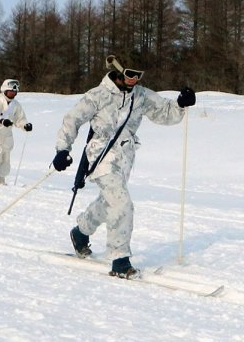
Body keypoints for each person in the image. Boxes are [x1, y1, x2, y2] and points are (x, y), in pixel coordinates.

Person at [50, 55, 196, 278]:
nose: (134, 79)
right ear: (118, 71)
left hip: (125, 157)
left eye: (138, 75)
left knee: (110, 201)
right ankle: (119, 260)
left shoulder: (141, 95)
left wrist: (180, 104)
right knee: (122, 203)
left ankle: (81, 232)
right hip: (101, 156)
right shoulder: (98, 95)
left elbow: (164, 113)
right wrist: (63, 150)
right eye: (130, 74)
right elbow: (72, 119)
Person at [0, 79, 32, 184]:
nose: (12, 94)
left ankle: (0, 179)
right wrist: (1, 121)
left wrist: (25, 125)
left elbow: (20, 119)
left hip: (7, 137)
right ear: (4, 91)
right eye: (10, 92)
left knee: (5, 161)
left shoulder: (16, 105)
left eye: (14, 92)